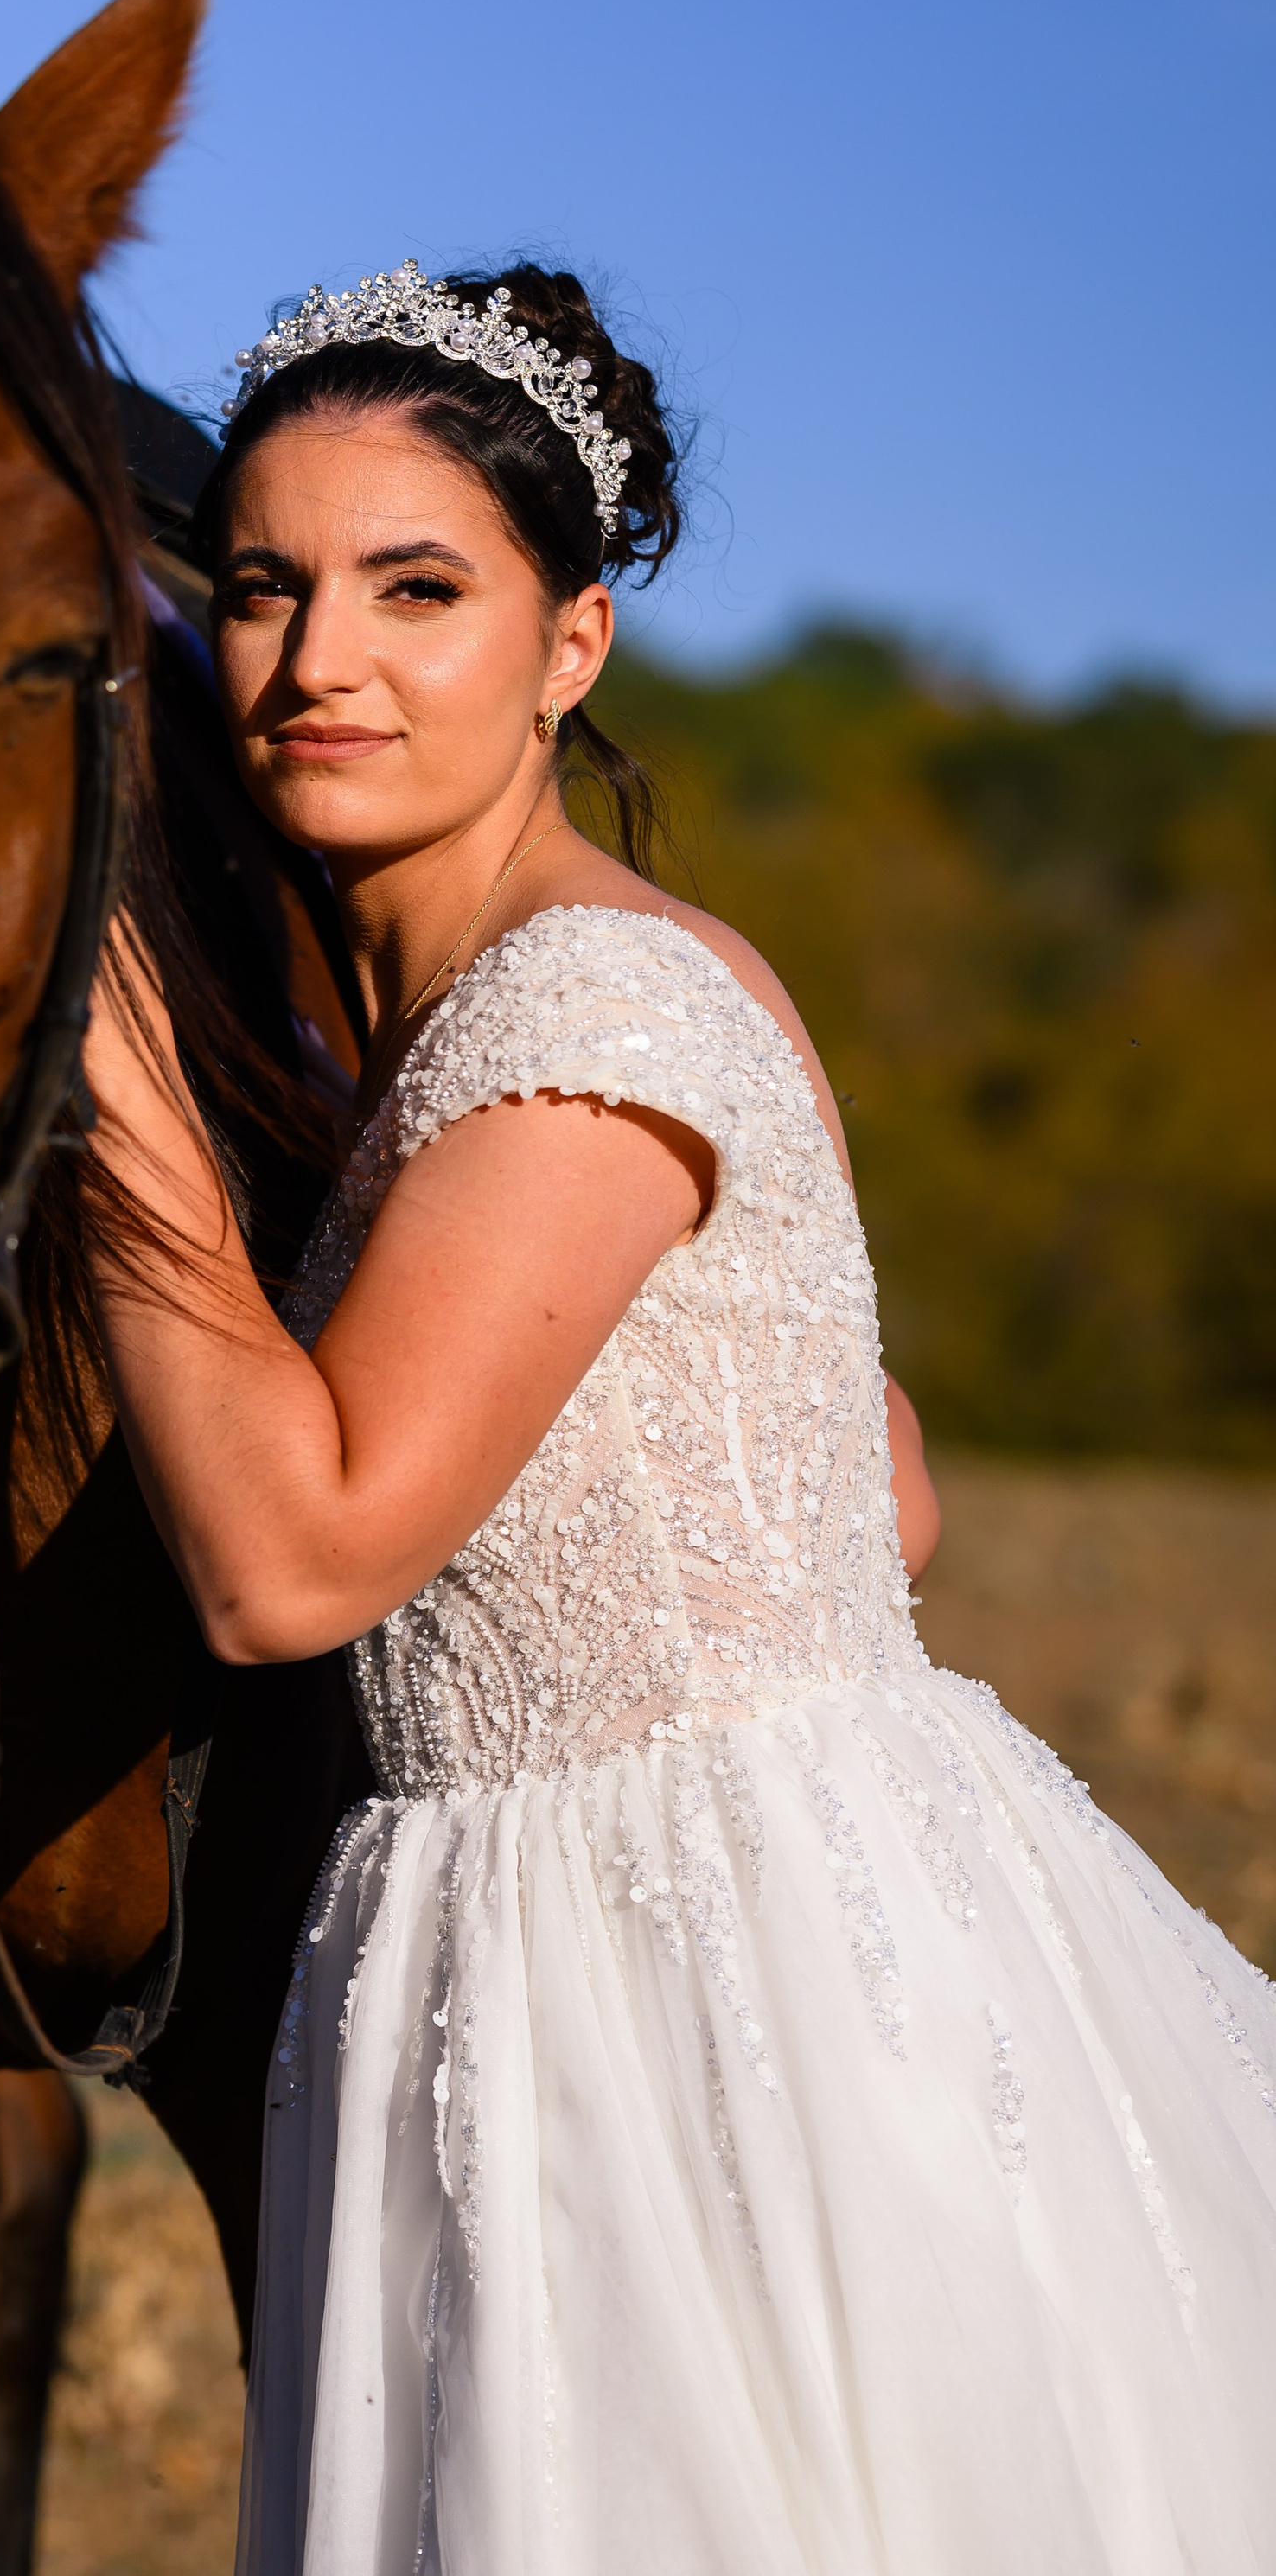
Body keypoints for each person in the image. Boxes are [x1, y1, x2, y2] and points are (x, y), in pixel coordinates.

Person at [79, 261, 1276, 2575]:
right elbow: (887, 1490)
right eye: (261, 588)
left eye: (419, 590)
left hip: (698, 1978)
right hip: (614, 1916)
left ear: (572, 645)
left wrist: (101, 1054)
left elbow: (289, 1562)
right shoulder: (578, 995)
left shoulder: (589, 1005)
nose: (320, 662)